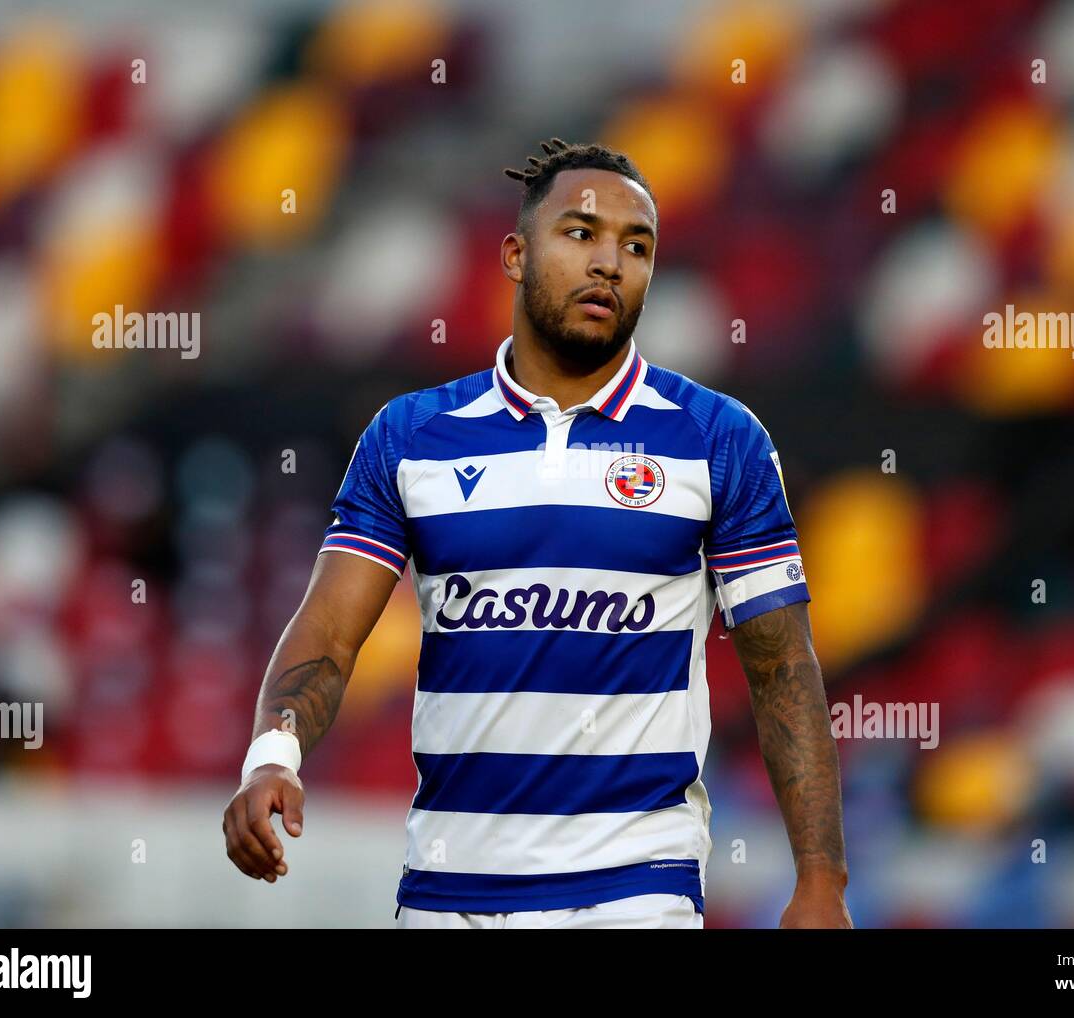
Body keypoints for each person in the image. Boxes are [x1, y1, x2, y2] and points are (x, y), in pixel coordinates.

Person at [223, 138, 851, 929]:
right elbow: (329, 632)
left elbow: (783, 668)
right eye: (581, 233)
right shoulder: (412, 436)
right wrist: (273, 756)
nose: (610, 263)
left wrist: (821, 879)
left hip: (635, 892)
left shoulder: (718, 439)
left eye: (637, 246)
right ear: (516, 255)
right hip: (448, 894)